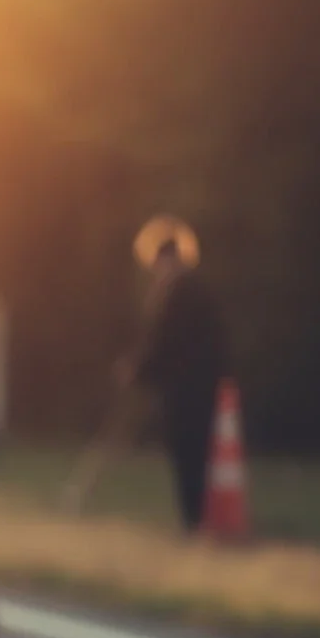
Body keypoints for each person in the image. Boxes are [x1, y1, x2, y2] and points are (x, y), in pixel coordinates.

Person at [119, 215, 229, 533]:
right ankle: (198, 517)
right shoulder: (195, 290)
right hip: (197, 385)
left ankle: (193, 519)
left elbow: (162, 340)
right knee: (197, 452)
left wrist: (137, 370)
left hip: (186, 389)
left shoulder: (177, 293)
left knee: (189, 452)